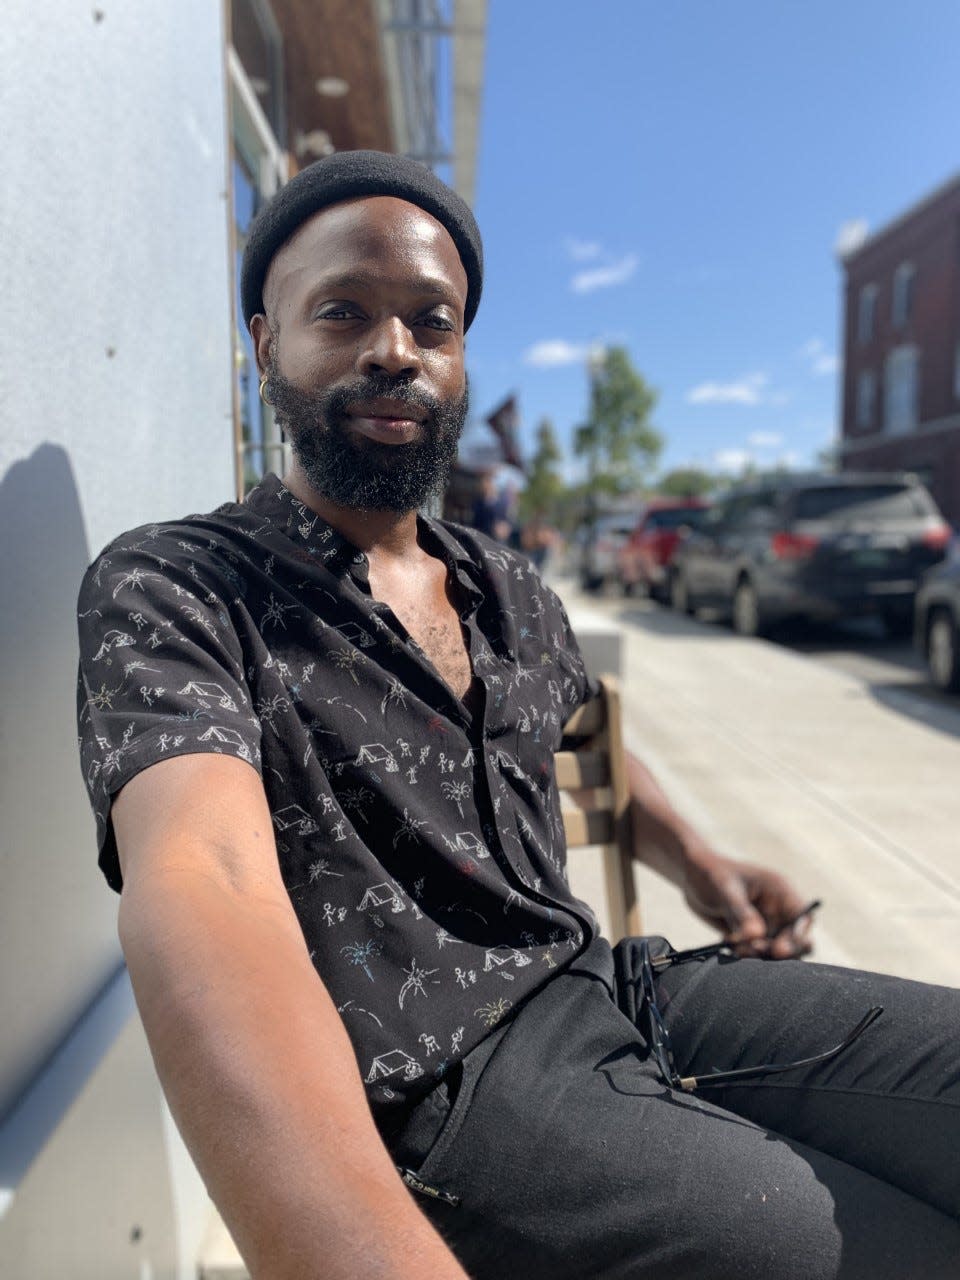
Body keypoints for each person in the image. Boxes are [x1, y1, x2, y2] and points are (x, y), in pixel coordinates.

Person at [76, 151, 960, 1280]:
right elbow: (209, 886)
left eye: (429, 324)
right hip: (442, 1090)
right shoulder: (180, 585)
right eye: (343, 311)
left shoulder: (505, 583)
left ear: (456, 357)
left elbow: (578, 730)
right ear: (265, 346)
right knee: (864, 1249)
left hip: (613, 986)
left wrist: (704, 862)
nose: (393, 349)